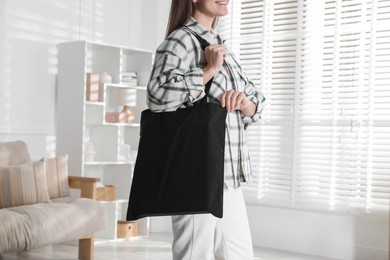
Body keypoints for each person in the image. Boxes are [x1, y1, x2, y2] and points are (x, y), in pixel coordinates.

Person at [147, 0, 266, 259]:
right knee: (193, 253)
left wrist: (244, 102)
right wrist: (209, 69)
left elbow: (256, 99)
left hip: (228, 174)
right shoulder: (180, 41)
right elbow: (157, 96)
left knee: (240, 254)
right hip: (196, 171)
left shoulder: (222, 46)